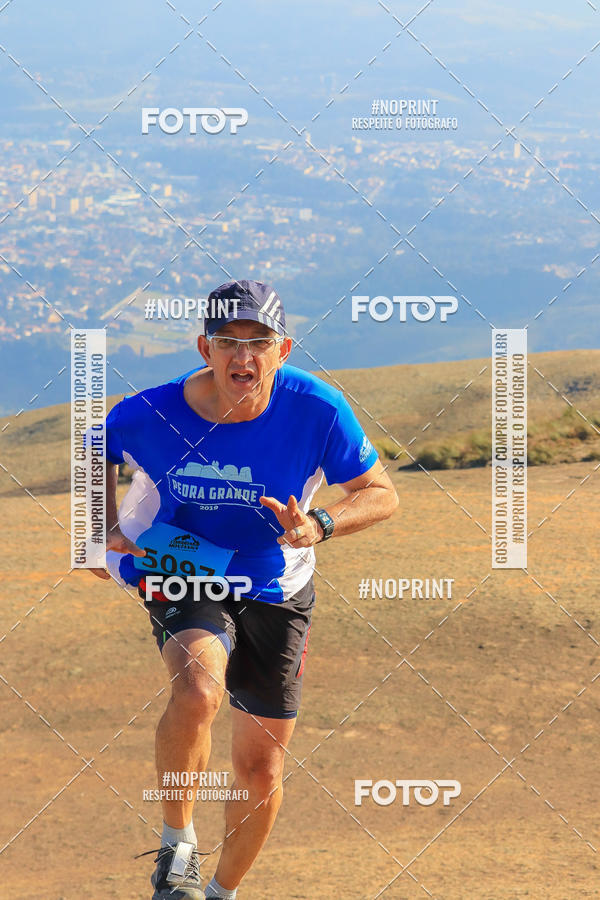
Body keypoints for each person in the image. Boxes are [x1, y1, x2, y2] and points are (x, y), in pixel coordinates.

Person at [91, 279, 399, 899]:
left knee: (260, 770)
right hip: (187, 565)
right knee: (198, 688)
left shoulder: (318, 409)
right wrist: (102, 526)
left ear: (282, 349)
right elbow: (97, 446)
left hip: (276, 583)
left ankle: (221, 893)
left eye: (258, 342)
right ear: (204, 348)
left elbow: (382, 493)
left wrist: (320, 523)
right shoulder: (150, 412)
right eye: (228, 341)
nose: (243, 355)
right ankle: (177, 850)